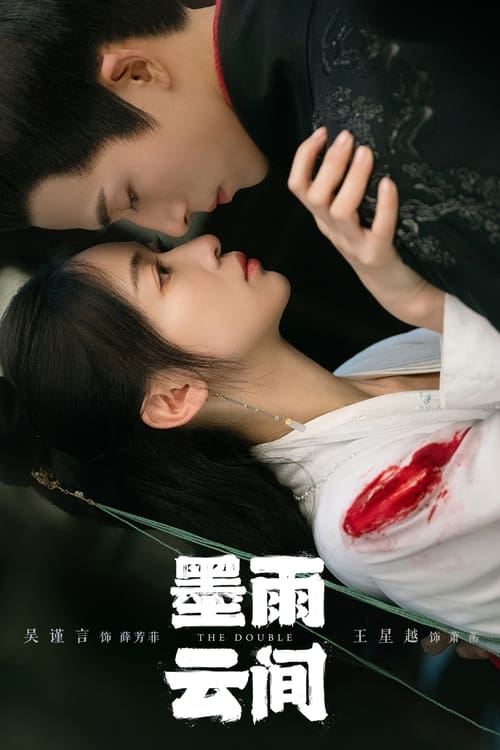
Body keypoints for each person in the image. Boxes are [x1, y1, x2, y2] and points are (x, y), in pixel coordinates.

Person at [1, 134, 500, 660]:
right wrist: (423, 302)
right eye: (162, 275)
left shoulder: (374, 364)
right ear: (174, 398)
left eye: (163, 252)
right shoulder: (369, 519)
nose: (203, 245)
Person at [0, 1, 499, 330]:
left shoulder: (365, 164)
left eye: (130, 197)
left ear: (137, 73)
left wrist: (427, 308)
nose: (175, 225)